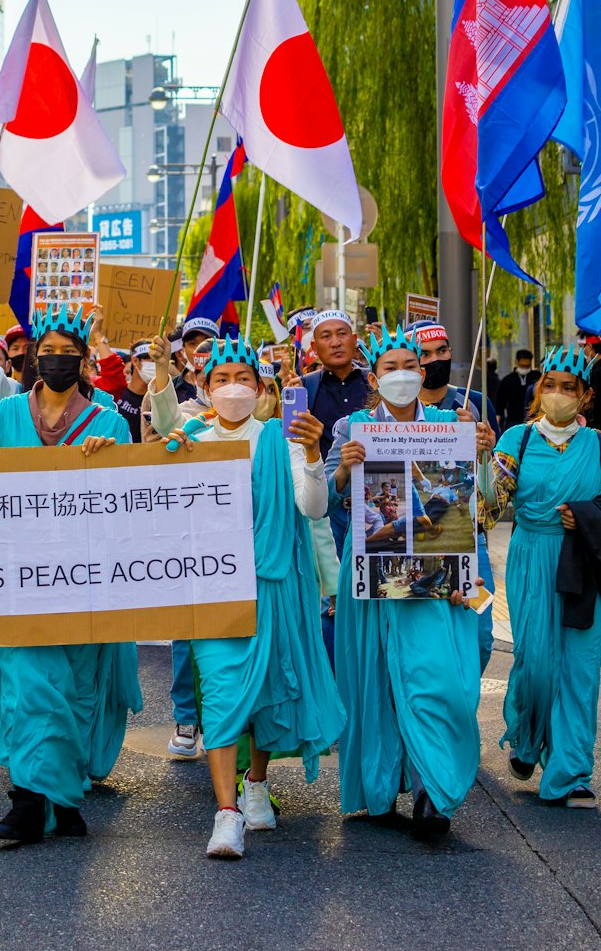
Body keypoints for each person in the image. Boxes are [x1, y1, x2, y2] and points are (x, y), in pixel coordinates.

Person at [163, 336, 342, 859]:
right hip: (211, 589)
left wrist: (312, 453)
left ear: (262, 389)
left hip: (272, 587)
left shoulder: (279, 440)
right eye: (221, 379)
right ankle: (226, 813)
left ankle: (256, 784)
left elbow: (313, 508)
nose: (233, 388)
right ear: (204, 387)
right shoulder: (189, 438)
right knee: (220, 693)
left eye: (243, 378)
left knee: (264, 690)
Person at [0, 301, 142, 844]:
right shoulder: (1, 419)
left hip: (83, 581)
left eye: (69, 354)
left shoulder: (110, 422)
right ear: (34, 358)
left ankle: (64, 800)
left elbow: (131, 501)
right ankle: (25, 801)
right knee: (25, 687)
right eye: (48, 353)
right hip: (17, 581)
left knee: (72, 688)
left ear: (84, 360)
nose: (58, 361)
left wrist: (111, 456)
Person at [327, 324, 494, 840]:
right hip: (376, 569)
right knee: (375, 680)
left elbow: (488, 498)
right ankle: (380, 787)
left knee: (435, 677)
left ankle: (433, 791)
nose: (400, 375)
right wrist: (341, 472)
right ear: (373, 378)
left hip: (436, 575)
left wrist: (484, 450)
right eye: (389, 368)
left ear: (422, 373)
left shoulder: (452, 421)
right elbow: (327, 499)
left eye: (408, 367)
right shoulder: (351, 426)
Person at [479, 344, 601, 808]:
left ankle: (571, 773)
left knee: (579, 668)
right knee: (535, 664)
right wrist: (482, 462)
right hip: (531, 556)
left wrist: (585, 518)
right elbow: (487, 512)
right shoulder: (515, 441)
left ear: (584, 395)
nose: (560, 395)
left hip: (583, 560)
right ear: (539, 388)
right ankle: (526, 739)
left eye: (570, 388)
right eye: (552, 386)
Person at [411, 319, 499, 672]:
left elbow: (492, 494)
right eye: (425, 354)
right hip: (417, 537)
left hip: (468, 538)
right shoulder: (397, 411)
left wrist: (485, 452)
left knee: (479, 633)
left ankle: (465, 705)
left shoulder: (475, 402)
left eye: (442, 351)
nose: (435, 360)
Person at [286, 309, 370, 556]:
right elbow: (293, 444)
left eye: (341, 334)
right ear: (314, 345)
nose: (335, 342)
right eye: (326, 336)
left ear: (354, 341)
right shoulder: (302, 387)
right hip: (327, 506)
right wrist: (291, 405)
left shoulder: (376, 382)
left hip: (372, 498)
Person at [495, 349, 539, 431]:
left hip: (533, 419)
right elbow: (500, 400)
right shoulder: (508, 380)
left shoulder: (536, 377)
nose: (525, 368)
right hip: (513, 420)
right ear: (516, 362)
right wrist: (498, 417)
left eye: (527, 366)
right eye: (522, 365)